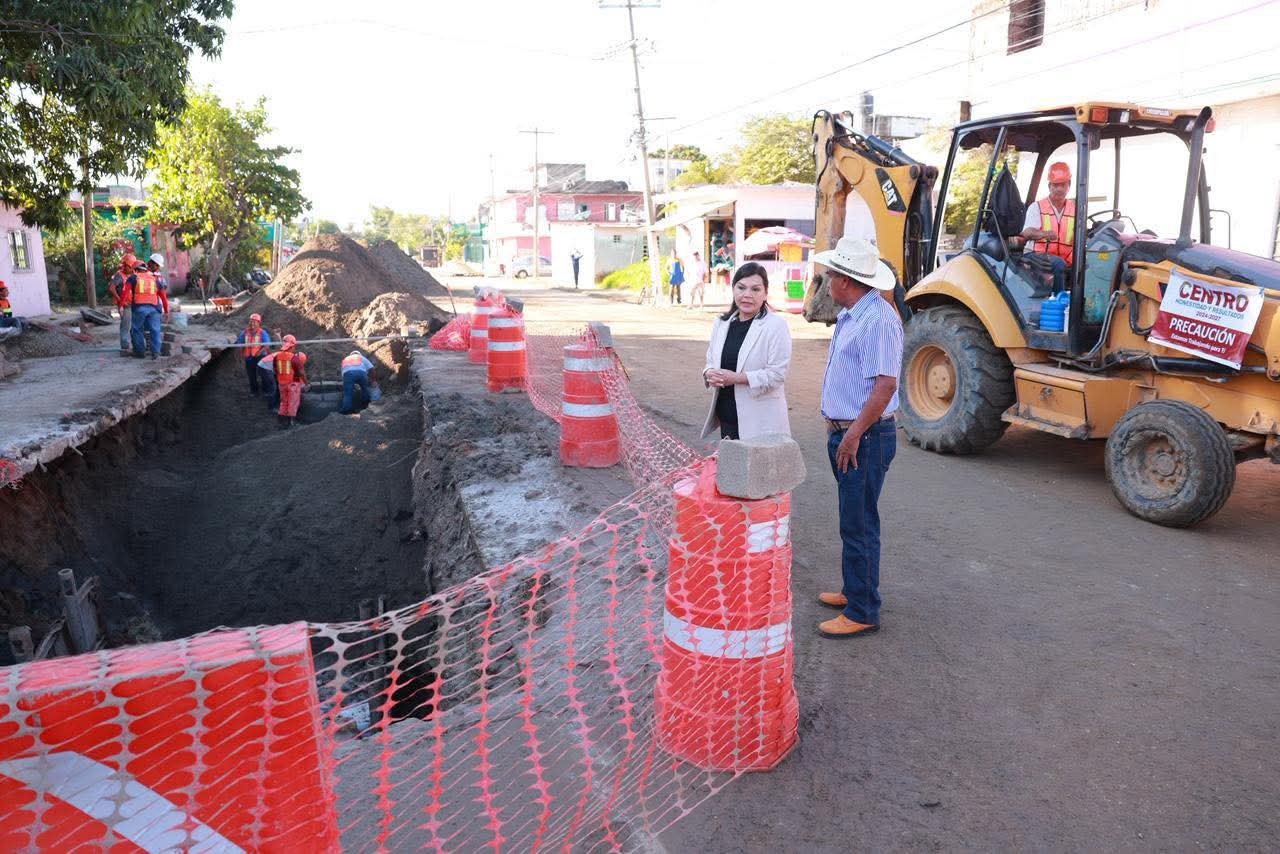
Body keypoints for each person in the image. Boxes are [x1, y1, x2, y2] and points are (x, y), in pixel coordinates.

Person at [812, 236, 902, 639]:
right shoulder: (854, 314)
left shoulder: (878, 320)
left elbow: (884, 387)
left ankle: (863, 609)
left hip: (863, 437)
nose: (827, 283)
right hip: (852, 434)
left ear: (847, 280)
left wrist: (852, 436)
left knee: (859, 522)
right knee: (854, 519)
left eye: (831, 276)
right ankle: (855, 592)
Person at [700, 262, 792, 441]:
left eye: (755, 289)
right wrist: (709, 372)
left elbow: (776, 375)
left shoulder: (775, 326)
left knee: (758, 469)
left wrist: (735, 378)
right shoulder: (721, 324)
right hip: (727, 416)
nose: (747, 295)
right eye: (741, 288)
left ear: (765, 293)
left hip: (760, 422)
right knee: (731, 468)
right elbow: (711, 361)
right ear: (733, 289)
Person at [1019, 160, 1075, 294]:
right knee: (1058, 264)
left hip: (1066, 255)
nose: (1059, 189)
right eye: (1055, 185)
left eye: (1063, 185)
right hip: (1037, 254)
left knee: (1091, 264)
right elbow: (1026, 232)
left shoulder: (1076, 208)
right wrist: (1044, 234)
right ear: (1049, 186)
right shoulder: (1037, 207)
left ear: (1069, 186)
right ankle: (1058, 302)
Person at [121, 255, 169, 359]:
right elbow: (164, 297)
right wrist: (166, 311)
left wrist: (121, 305)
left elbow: (124, 292)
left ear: (135, 270)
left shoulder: (133, 277)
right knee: (155, 330)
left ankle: (140, 352)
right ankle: (156, 353)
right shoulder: (156, 278)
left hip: (139, 307)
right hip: (155, 308)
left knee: (137, 329)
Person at [263, 335, 308, 427]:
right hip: (292, 384)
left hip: (282, 383)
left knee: (284, 401)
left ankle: (281, 421)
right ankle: (291, 423)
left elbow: (276, 369)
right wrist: (306, 383)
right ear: (291, 346)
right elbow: (301, 373)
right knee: (293, 402)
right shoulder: (294, 358)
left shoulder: (277, 356)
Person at [236, 313, 273, 396]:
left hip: (260, 357)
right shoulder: (244, 333)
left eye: (254, 322)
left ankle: (266, 390)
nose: (252, 324)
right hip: (249, 357)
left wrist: (259, 352)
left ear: (258, 323)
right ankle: (254, 391)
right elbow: (240, 344)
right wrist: (241, 354)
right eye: (251, 322)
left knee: (264, 374)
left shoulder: (262, 333)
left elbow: (267, 345)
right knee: (251, 375)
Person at [107, 255, 134, 353]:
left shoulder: (133, 274)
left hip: (132, 303)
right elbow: (111, 288)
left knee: (133, 325)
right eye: (129, 267)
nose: (131, 269)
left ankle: (134, 344)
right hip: (124, 305)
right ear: (124, 265)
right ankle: (125, 346)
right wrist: (120, 300)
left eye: (132, 267)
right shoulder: (119, 275)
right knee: (126, 325)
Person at [340, 349, 376, 414]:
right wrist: (373, 380)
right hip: (361, 373)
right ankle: (365, 406)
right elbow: (371, 369)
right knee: (365, 389)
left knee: (348, 393)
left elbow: (344, 374)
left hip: (348, 374)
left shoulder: (346, 359)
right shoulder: (361, 357)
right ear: (358, 354)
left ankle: (346, 411)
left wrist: (350, 386)